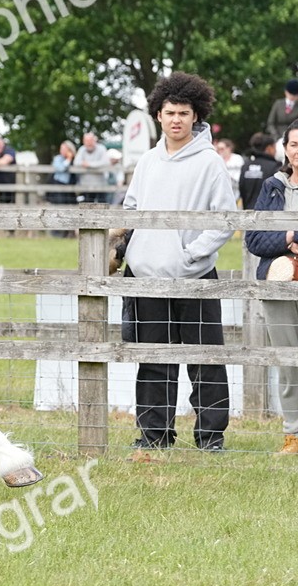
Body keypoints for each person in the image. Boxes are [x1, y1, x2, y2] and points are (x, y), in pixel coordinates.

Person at [119, 72, 235, 451]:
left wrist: (191, 254)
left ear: (195, 115)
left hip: (194, 276)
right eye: (170, 112)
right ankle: (154, 436)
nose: (176, 120)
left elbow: (225, 219)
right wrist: (128, 250)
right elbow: (131, 209)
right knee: (153, 359)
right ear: (158, 114)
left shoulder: (210, 163)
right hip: (147, 276)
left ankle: (211, 437)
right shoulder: (148, 161)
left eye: (184, 113)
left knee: (205, 359)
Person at [245, 120, 298, 455]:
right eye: (294, 144)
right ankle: (294, 434)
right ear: (285, 149)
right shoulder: (272, 187)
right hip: (279, 283)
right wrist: (289, 238)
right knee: (288, 361)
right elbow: (254, 239)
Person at [239, 132, 282, 209]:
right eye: (274, 148)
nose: (276, 151)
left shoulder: (245, 166)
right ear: (269, 148)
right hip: (268, 214)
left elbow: (241, 190)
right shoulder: (275, 166)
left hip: (248, 212)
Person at [73, 132, 110, 204]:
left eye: (90, 140)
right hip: (86, 186)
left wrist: (89, 164)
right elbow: (76, 163)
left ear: (94, 140)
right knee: (87, 206)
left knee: (102, 206)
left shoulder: (101, 148)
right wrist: (94, 165)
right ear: (84, 141)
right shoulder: (82, 149)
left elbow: (106, 162)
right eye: (87, 141)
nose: (89, 143)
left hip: (100, 185)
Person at [265, 77, 298, 142]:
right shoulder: (278, 104)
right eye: (290, 94)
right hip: (277, 137)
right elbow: (270, 123)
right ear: (286, 92)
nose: (292, 96)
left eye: (295, 95)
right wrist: (276, 136)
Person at [214, 138, 244, 205]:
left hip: (236, 192)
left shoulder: (237, 159)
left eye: (222, 149)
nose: (220, 151)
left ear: (229, 148)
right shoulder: (217, 159)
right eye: (218, 149)